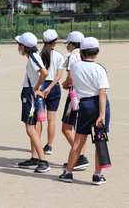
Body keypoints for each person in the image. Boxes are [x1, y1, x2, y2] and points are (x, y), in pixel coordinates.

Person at [59, 37, 110, 185]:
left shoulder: (76, 66)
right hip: (100, 104)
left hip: (85, 104)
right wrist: (101, 114)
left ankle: (68, 172)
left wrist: (65, 84)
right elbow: (102, 93)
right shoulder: (100, 68)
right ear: (98, 51)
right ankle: (97, 175)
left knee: (79, 140)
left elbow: (70, 81)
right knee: (100, 140)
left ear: (81, 51)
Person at [16, 32, 50, 173]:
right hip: (30, 93)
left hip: (30, 94)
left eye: (19, 45)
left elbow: (44, 73)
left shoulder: (33, 58)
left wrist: (36, 88)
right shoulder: (33, 56)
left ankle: (43, 161)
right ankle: (35, 158)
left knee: (30, 129)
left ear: (23, 47)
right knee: (34, 127)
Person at [60, 31, 90, 170]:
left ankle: (80, 157)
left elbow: (71, 77)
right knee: (80, 129)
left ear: (71, 45)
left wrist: (65, 84)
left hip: (74, 95)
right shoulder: (86, 54)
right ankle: (80, 156)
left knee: (66, 128)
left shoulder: (73, 56)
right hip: (86, 95)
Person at [38, 29, 64, 155]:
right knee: (51, 119)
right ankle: (49, 146)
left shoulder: (37, 54)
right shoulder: (59, 55)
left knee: (39, 119)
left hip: (40, 86)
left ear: (43, 40)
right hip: (54, 87)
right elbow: (59, 75)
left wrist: (43, 87)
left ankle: (37, 144)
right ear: (56, 41)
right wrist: (50, 87)